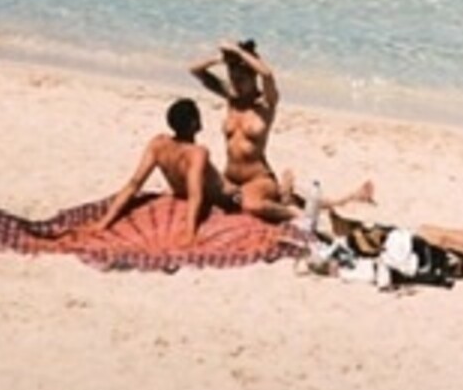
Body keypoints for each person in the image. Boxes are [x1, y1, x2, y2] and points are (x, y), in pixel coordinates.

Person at [190, 38, 376, 226]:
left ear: (253, 77)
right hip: (230, 177)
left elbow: (267, 74)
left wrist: (239, 52)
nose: (236, 84)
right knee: (198, 191)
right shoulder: (231, 98)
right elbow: (195, 70)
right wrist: (219, 59)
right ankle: (297, 195)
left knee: (251, 205)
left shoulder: (265, 103)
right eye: (232, 78)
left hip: (258, 178)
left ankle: (294, 213)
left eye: (241, 80)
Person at [86, 96, 222, 244]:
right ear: (195, 123)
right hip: (221, 196)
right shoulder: (197, 153)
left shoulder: (158, 144)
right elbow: (195, 195)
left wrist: (103, 223)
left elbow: (134, 183)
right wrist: (189, 233)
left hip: (183, 193)